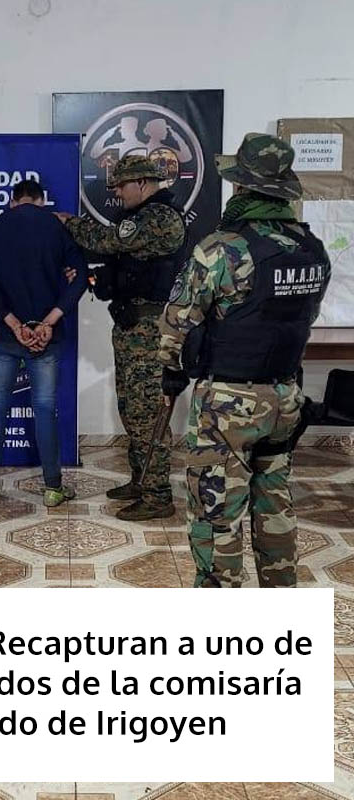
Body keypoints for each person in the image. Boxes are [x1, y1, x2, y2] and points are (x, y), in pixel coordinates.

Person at [158, 133, 331, 588]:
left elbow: (177, 322)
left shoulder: (224, 248)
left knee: (216, 511)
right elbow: (302, 318)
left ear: (241, 186)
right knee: (275, 506)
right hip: (285, 397)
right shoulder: (312, 248)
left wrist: (171, 369)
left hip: (228, 405)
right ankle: (279, 599)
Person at [56, 155, 187, 521]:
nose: (117, 193)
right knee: (131, 409)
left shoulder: (159, 218)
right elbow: (126, 265)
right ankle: (141, 481)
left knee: (147, 415)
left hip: (151, 333)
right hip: (132, 328)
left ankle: (157, 496)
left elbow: (108, 240)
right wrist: (95, 277)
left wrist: (69, 223)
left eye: (121, 186)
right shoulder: (143, 217)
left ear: (142, 183)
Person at [0, 179, 88, 507]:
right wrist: (49, 322)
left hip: (5, 333)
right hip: (46, 337)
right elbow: (80, 278)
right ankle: (53, 489)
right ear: (41, 201)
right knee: (45, 408)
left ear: (13, 201)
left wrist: (13, 323)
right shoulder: (57, 227)